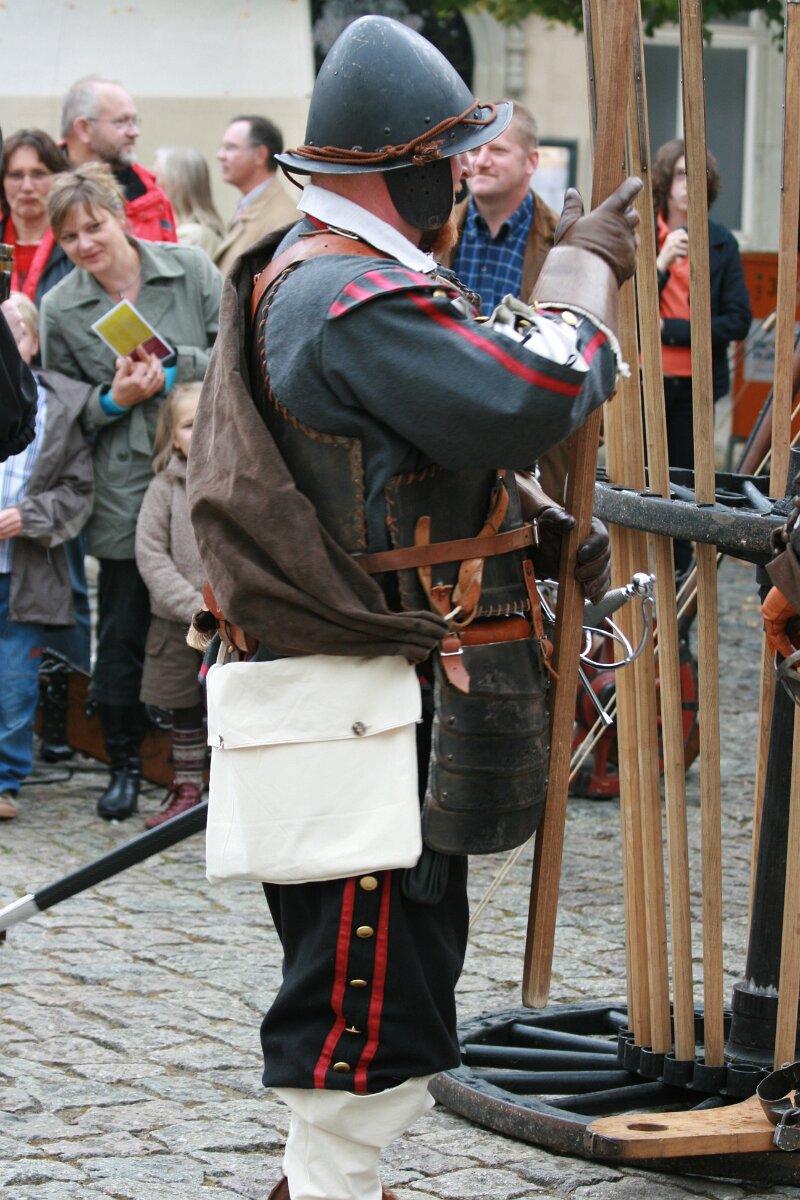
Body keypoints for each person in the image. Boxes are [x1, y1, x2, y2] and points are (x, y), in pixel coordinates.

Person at [188, 16, 640, 1200]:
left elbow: (425, 454)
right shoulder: (345, 291)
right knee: (364, 978)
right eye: (446, 157)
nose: (458, 174)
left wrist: (529, 521)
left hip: (373, 684)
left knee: (390, 963)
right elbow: (528, 390)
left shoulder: (326, 268)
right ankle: (330, 1189)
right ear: (404, 168)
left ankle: (334, 1183)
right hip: (365, 692)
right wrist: (582, 279)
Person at [40, 163, 222, 823]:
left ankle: (210, 768)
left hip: (204, 472)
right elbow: (61, 412)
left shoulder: (189, 269)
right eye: (69, 238)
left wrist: (174, 370)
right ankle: (123, 763)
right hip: (121, 485)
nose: (85, 244)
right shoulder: (61, 307)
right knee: (121, 630)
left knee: (210, 617)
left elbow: (237, 353)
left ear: (120, 216)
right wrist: (113, 399)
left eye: (94, 227)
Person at [440, 103, 566, 500]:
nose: (481, 161)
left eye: (497, 150)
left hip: (533, 450)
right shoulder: (431, 234)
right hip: (450, 442)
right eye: (475, 149)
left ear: (532, 162)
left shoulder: (564, 244)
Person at [0, 292, 93, 819]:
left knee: (15, 683)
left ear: (34, 342)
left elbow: (78, 490)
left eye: (14, 332)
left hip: (23, 573)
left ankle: (5, 782)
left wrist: (28, 516)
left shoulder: (57, 407)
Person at [653, 137, 751, 572]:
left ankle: (681, 592)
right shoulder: (643, 234)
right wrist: (659, 265)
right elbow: (627, 310)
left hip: (698, 383)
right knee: (645, 485)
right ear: (664, 180)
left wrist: (671, 331)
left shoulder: (720, 242)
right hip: (648, 382)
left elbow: (738, 320)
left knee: (687, 489)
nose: (688, 183)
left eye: (697, 175)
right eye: (680, 173)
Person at [135, 382, 206, 828]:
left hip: (234, 623)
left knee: (228, 705)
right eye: (189, 424)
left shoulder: (237, 481)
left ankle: (227, 795)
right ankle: (188, 789)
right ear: (173, 439)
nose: (201, 431)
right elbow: (150, 555)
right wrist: (196, 608)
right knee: (185, 708)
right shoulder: (164, 489)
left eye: (208, 420)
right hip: (180, 621)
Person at [60, 76, 178, 243]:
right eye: (121, 122)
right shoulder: (34, 190)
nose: (134, 132)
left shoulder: (153, 199)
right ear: (84, 128)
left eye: (134, 121)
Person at [213, 115, 297, 276]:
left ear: (260, 155)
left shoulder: (281, 219)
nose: (220, 155)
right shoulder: (252, 206)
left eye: (231, 147)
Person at [0, 129, 72, 307]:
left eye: (38, 174)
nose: (27, 187)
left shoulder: (78, 246)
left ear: (59, 178)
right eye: (16, 175)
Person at [152, 146, 224, 259]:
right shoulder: (206, 231)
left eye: (156, 178)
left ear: (175, 183)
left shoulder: (191, 236)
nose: (152, 186)